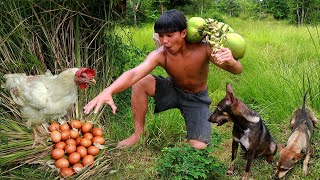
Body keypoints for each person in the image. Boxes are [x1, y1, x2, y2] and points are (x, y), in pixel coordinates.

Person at [83, 9, 243, 149]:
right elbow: (134, 74)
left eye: (169, 35)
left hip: (196, 99)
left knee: (199, 147)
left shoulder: (205, 49)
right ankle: (138, 134)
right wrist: (108, 90)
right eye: (161, 36)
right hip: (172, 89)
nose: (164, 41)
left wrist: (231, 61)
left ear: (183, 33)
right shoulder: (160, 55)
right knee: (141, 82)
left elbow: (237, 70)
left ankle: (195, 137)